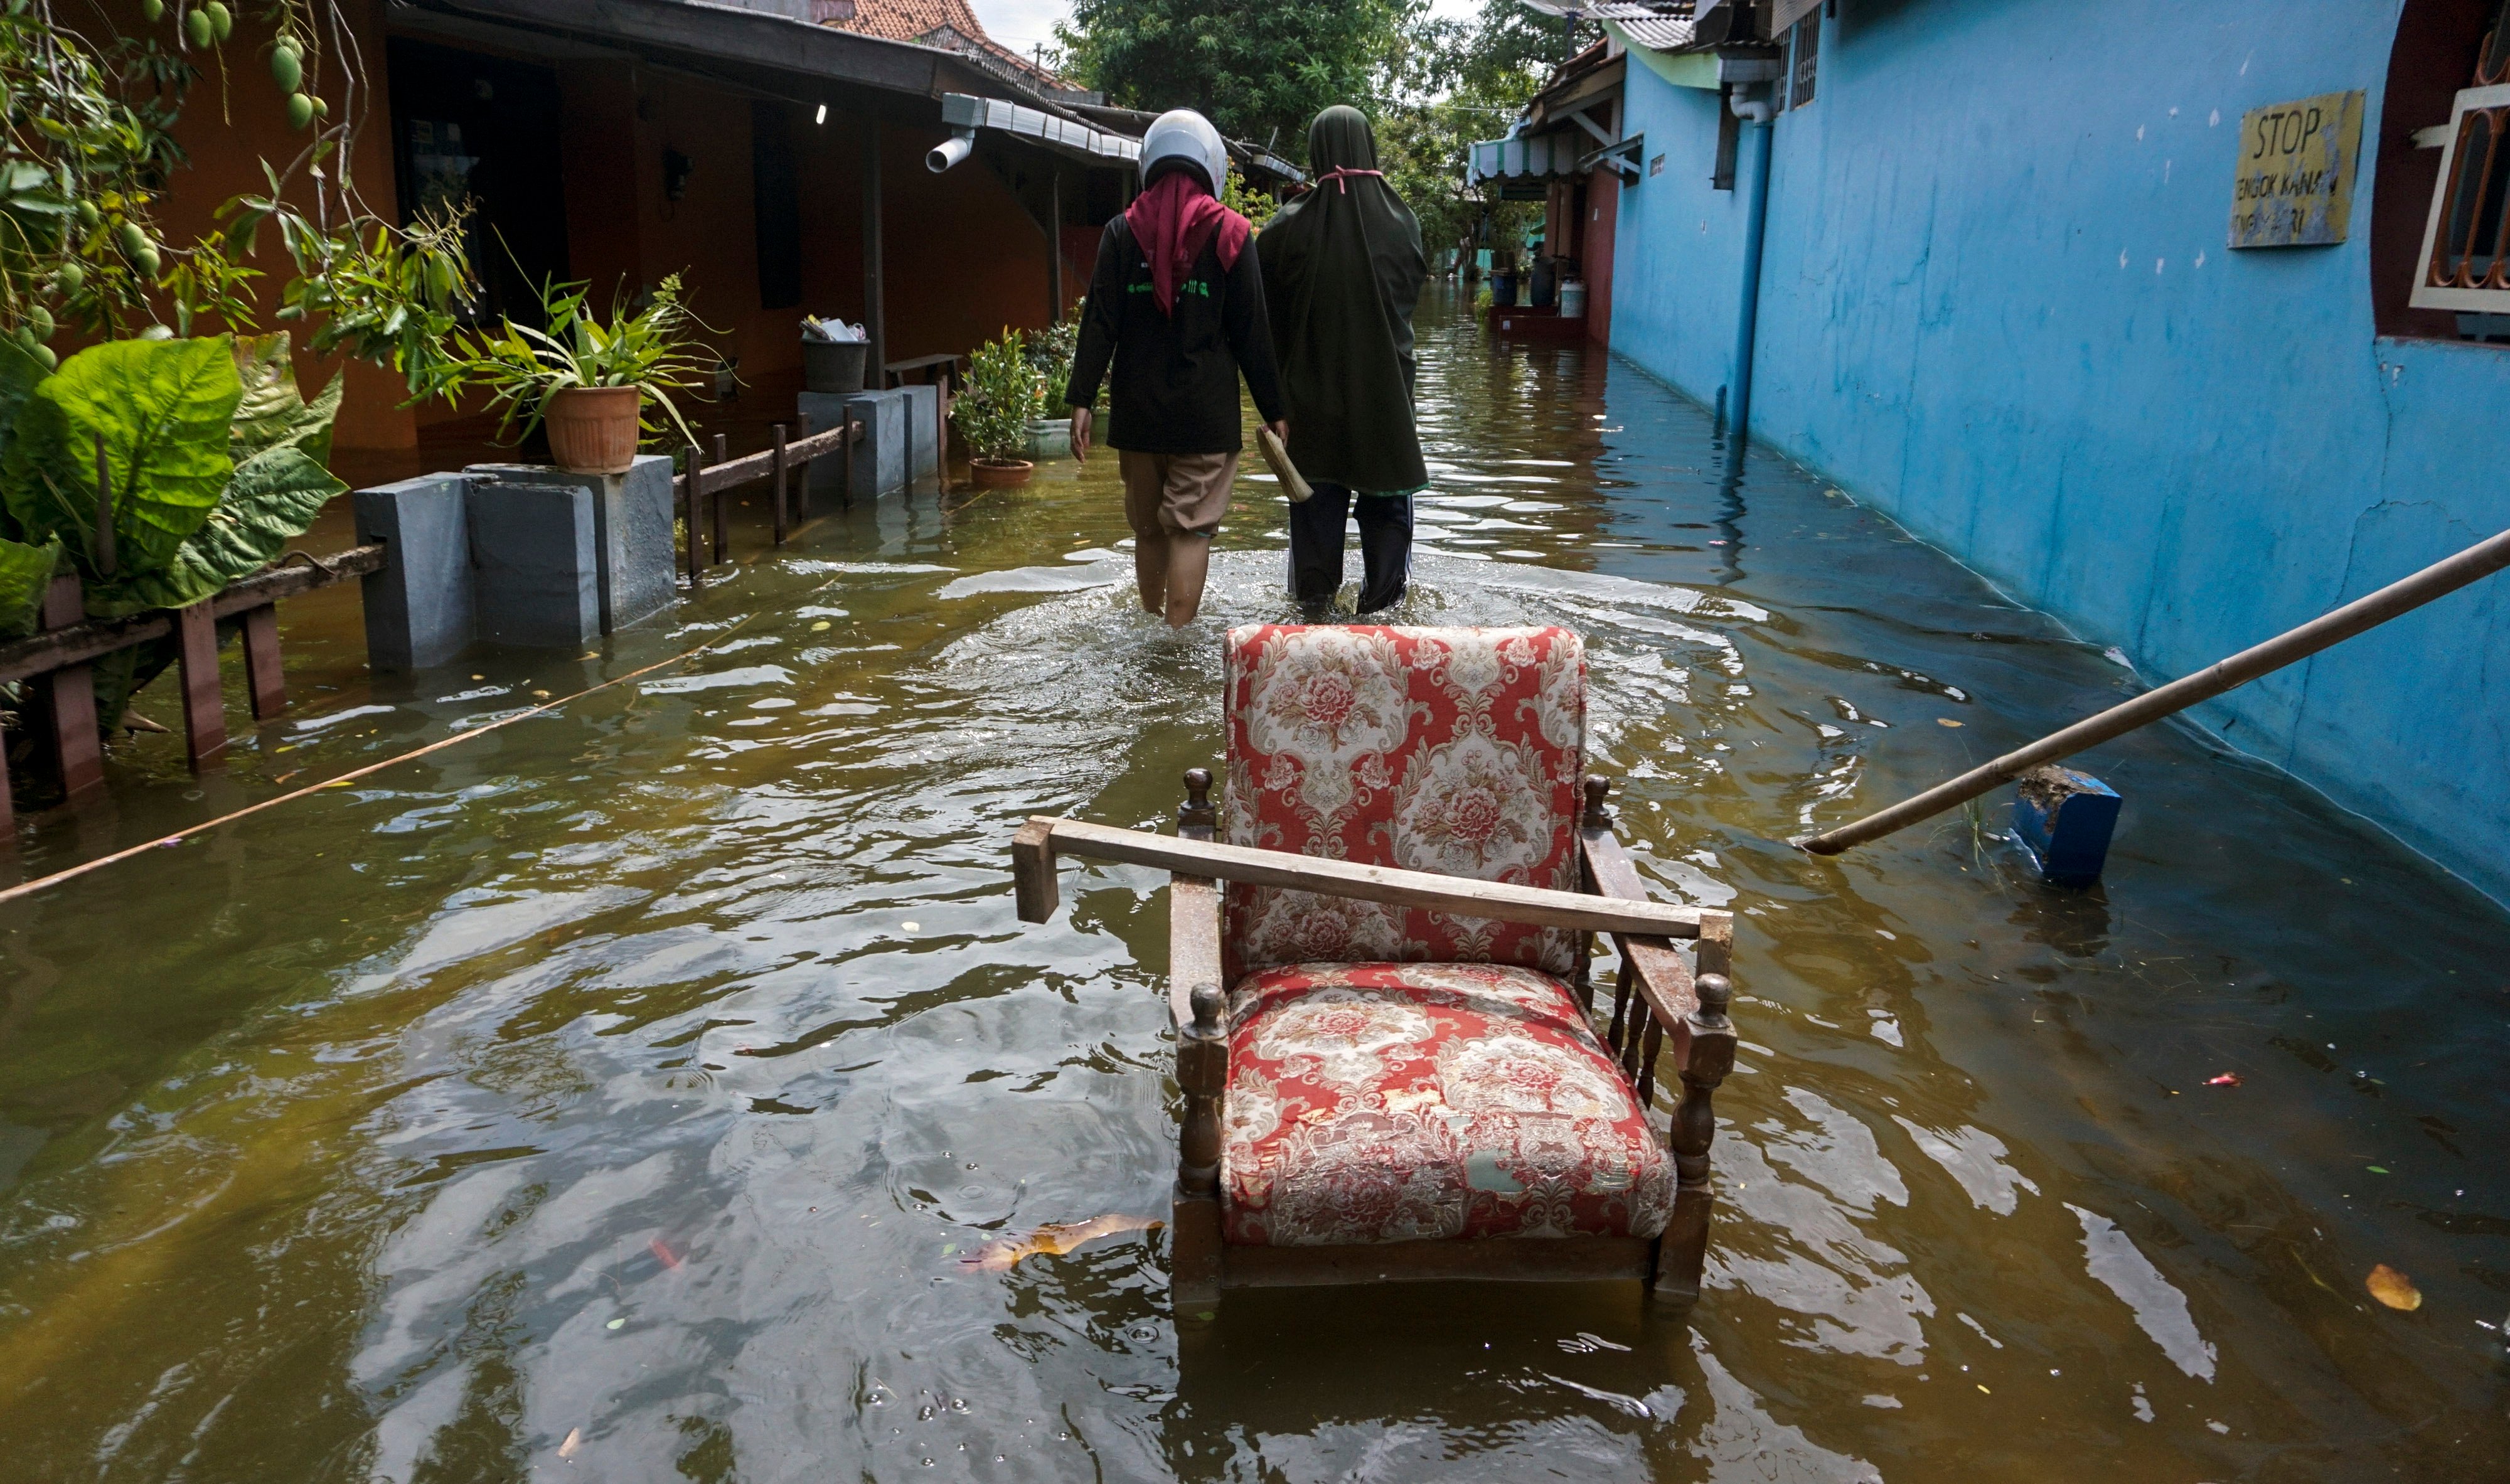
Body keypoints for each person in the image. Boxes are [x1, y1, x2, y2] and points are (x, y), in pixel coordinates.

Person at [1065, 109, 1290, 628]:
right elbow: (1252, 333)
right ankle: (1176, 642)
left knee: (1148, 530)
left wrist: (1081, 400)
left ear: (1150, 162)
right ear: (1211, 166)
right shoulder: (1233, 234)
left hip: (1138, 414)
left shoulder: (1121, 233)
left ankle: (1150, 632)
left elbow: (1099, 322)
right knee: (1190, 530)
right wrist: (1275, 408)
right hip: (1204, 418)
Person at [1256, 105, 1429, 617]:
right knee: (1389, 504)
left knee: (1314, 504)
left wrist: (1277, 395)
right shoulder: (1404, 223)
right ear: (1369, 147)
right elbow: (1406, 301)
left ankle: (1312, 618)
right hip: (1386, 398)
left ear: (1317, 154)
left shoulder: (1287, 228)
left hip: (1313, 399)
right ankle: (1383, 615)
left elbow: (1267, 314)